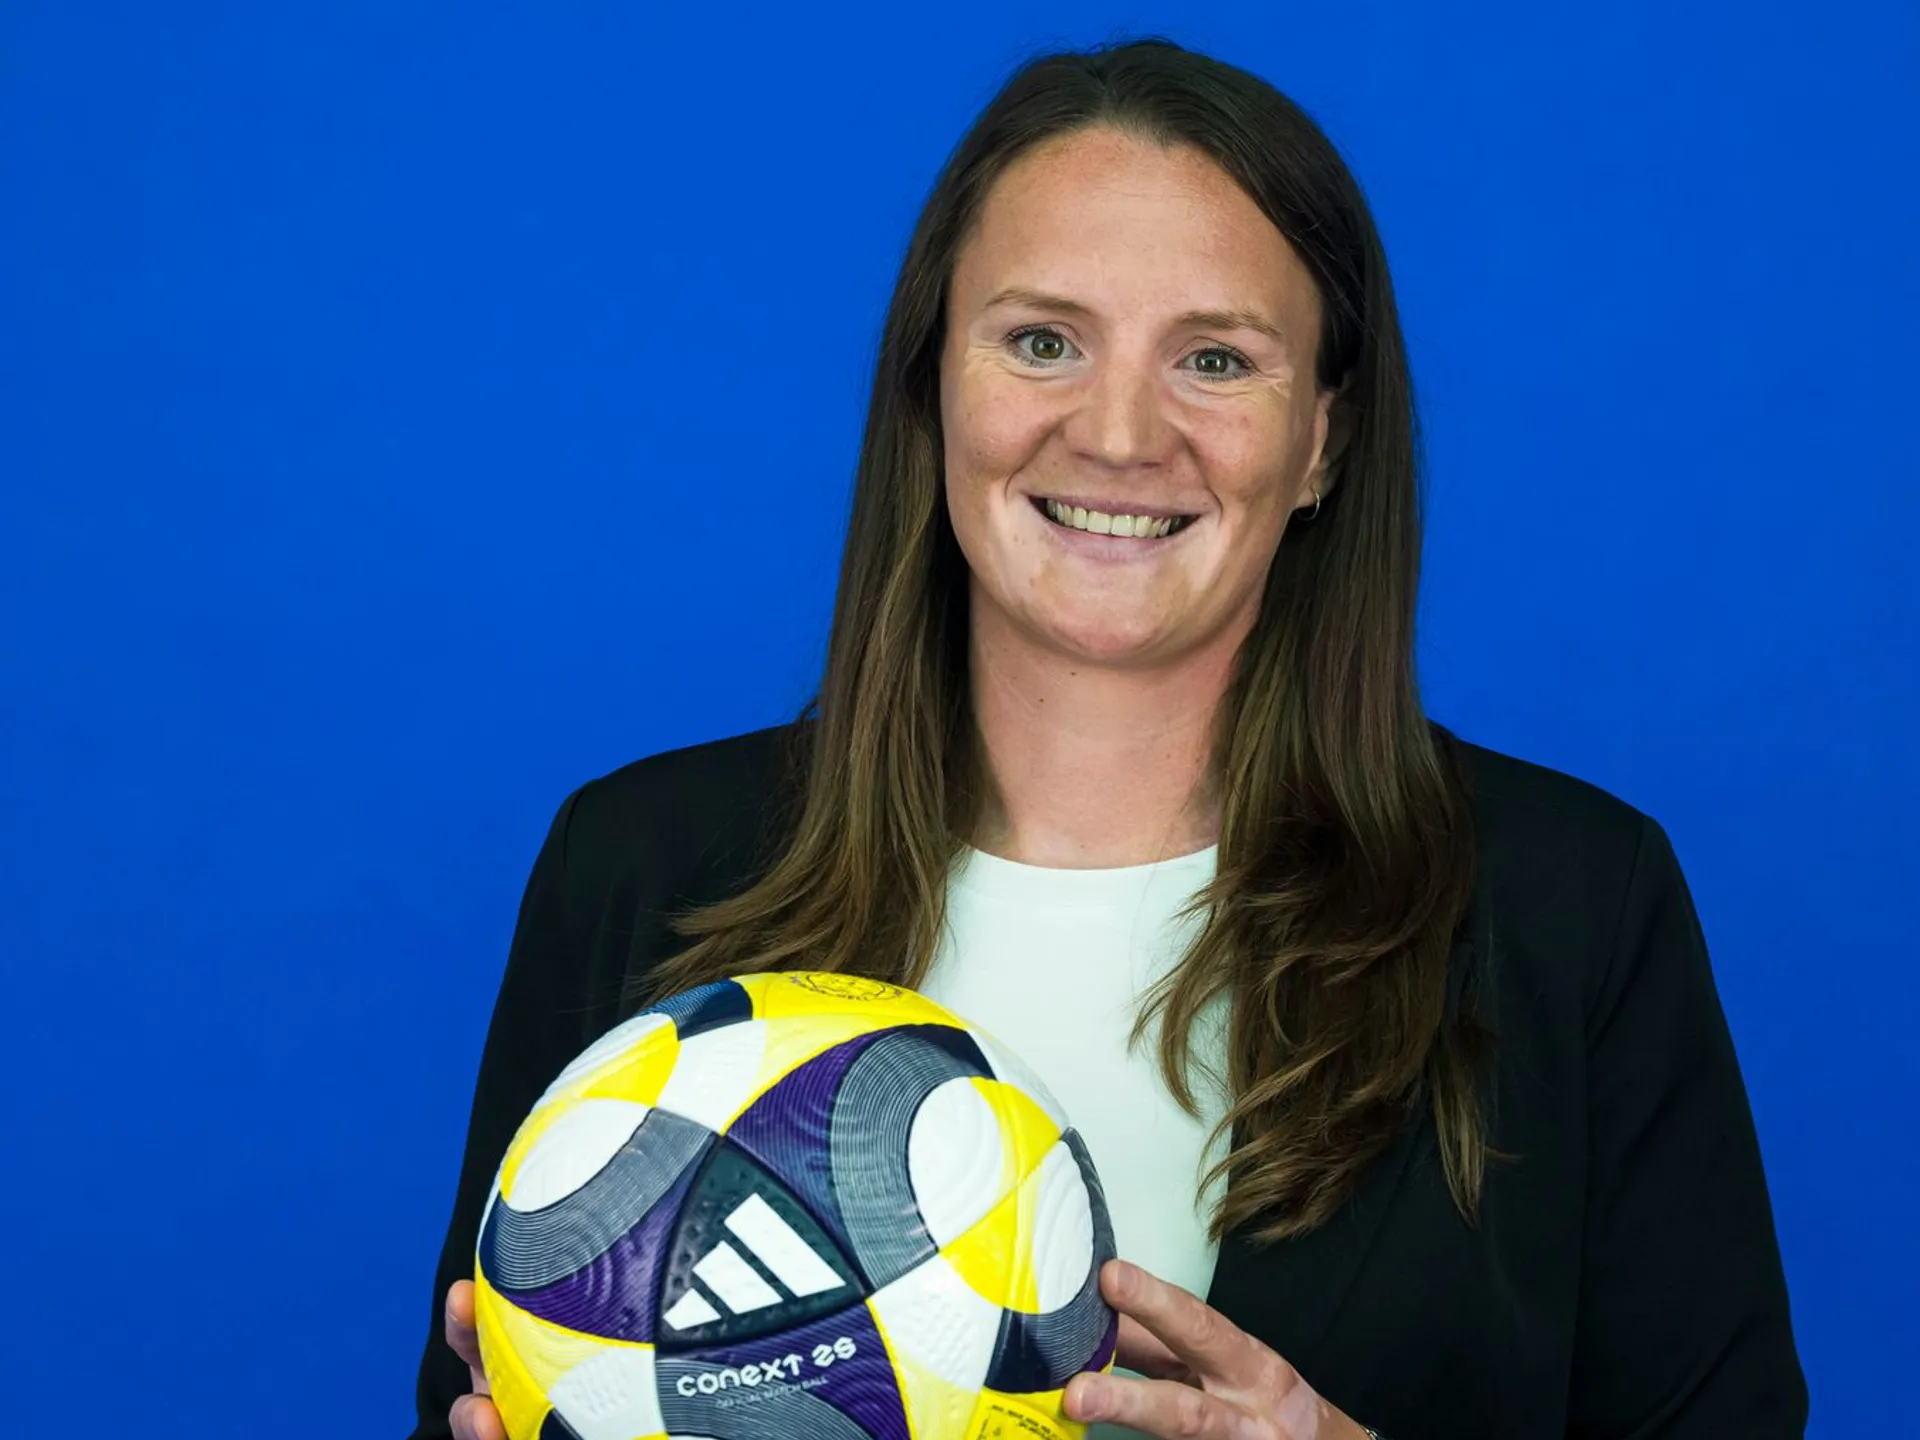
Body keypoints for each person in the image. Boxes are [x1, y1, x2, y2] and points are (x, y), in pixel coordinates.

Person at [407, 39, 1805, 1440]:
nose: (1123, 433)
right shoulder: (642, 868)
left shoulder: (1568, 905)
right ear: (930, 389)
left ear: (1323, 439)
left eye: (1214, 358)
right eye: (1041, 341)